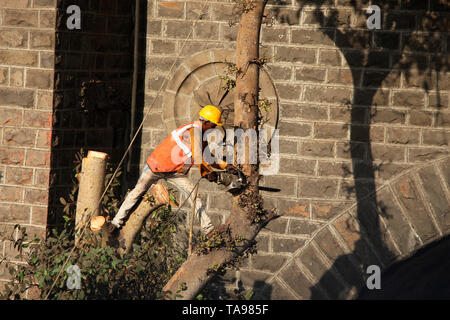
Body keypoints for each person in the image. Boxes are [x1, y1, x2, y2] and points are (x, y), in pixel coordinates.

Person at [107, 105, 232, 235]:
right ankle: (116, 223)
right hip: (156, 166)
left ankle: (208, 229)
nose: (214, 129)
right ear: (206, 123)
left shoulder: (201, 135)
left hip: (173, 171)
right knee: (137, 192)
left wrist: (226, 166)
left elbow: (207, 156)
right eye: (213, 126)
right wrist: (207, 172)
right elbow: (198, 156)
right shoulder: (193, 132)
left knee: (193, 193)